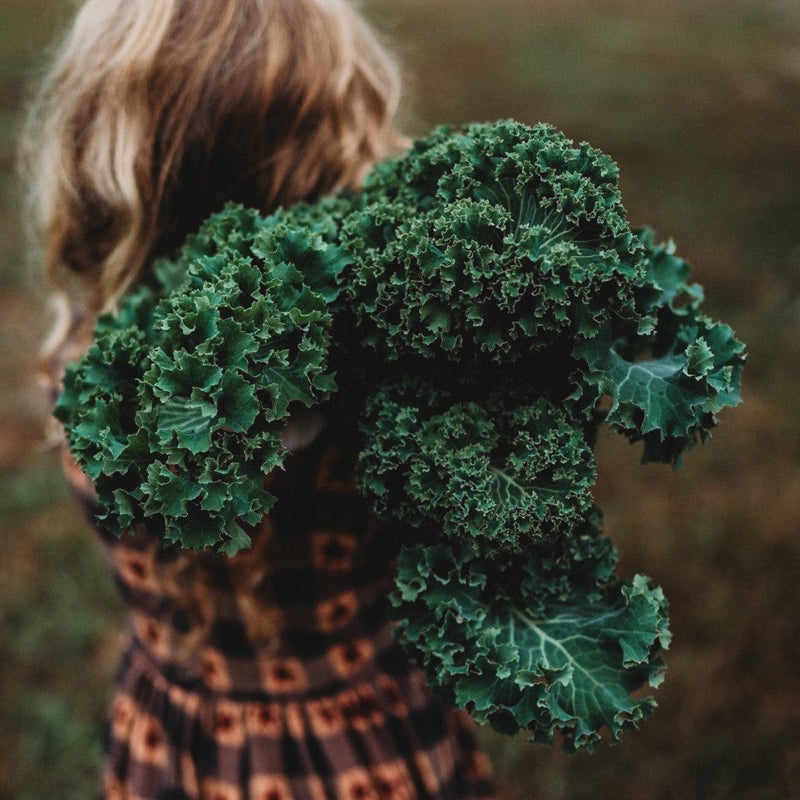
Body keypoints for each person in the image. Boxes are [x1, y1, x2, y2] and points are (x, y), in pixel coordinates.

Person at [21, 1, 497, 799]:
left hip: (173, 737)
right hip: (372, 746)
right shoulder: (404, 376)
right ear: (338, 139)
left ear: (102, 143)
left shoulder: (80, 353)